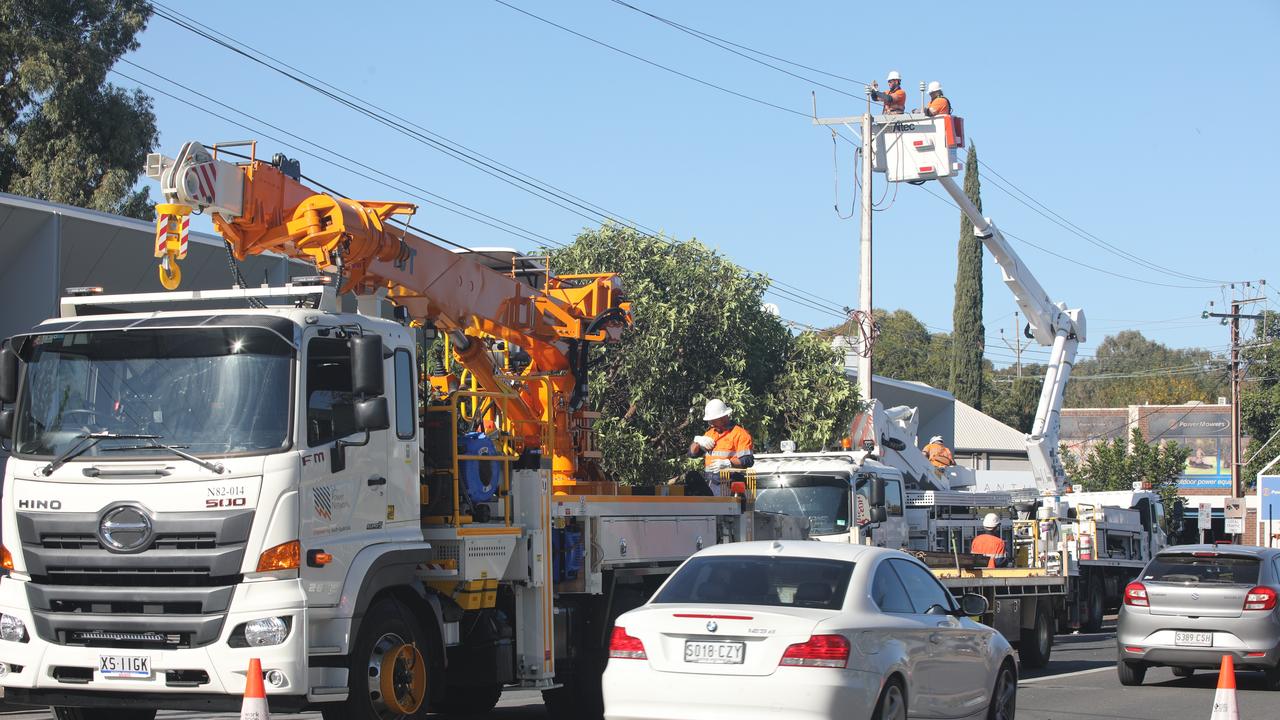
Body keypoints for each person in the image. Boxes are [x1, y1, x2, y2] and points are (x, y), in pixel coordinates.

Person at [688, 399, 754, 496]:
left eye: (713, 420)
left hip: (730, 486)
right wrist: (697, 441)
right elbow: (692, 454)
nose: (711, 423)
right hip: (711, 485)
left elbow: (747, 460)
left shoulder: (740, 434)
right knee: (692, 476)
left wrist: (728, 463)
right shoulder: (710, 434)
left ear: (723, 418)